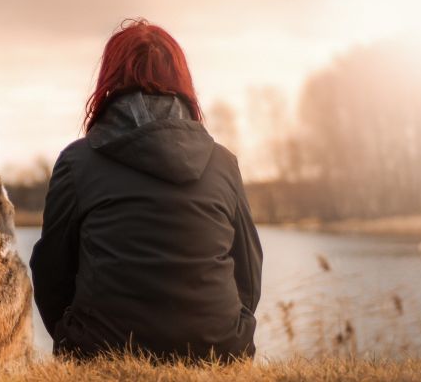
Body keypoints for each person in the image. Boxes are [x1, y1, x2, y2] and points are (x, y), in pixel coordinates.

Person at [30, 19, 262, 362]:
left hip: (100, 350)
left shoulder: (78, 162)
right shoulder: (223, 163)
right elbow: (249, 271)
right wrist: (227, 331)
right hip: (219, 350)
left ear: (109, 80)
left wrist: (73, 335)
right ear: (182, 80)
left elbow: (51, 273)